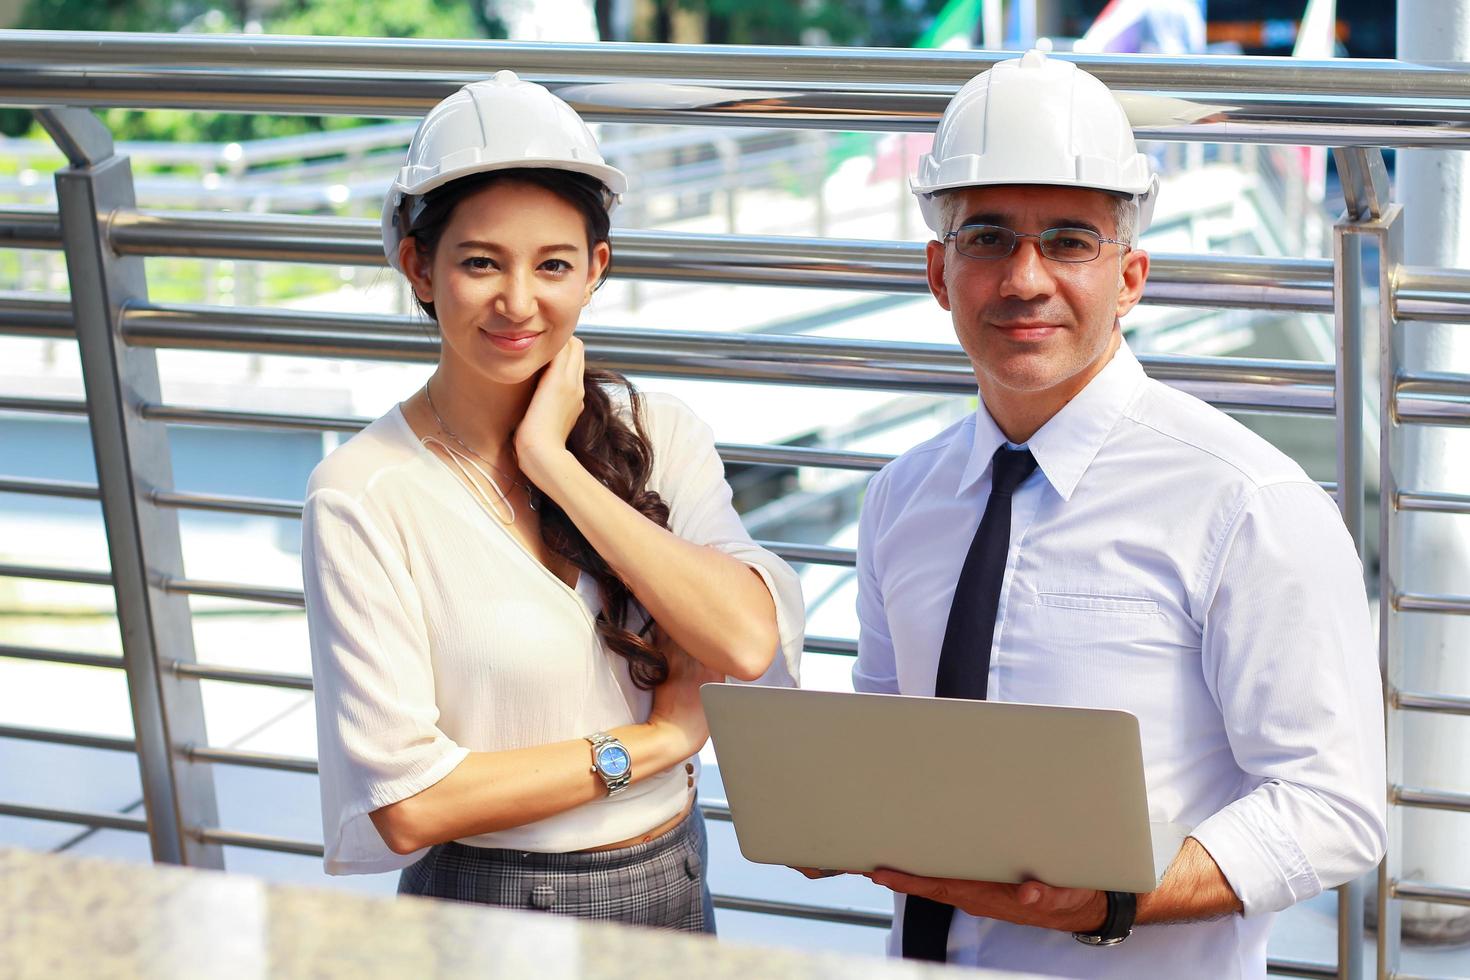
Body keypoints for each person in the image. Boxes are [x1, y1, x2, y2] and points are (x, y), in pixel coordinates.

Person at [850, 49, 1385, 976]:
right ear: (939, 274)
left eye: (1068, 241)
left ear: (1130, 278)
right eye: (987, 239)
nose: (1024, 279)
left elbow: (1333, 808)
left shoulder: (1247, 504)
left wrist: (1116, 897)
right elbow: (892, 732)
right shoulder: (901, 498)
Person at [301, 71, 803, 933]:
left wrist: (552, 463)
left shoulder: (659, 430)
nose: (519, 302)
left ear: (596, 268)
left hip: (677, 877)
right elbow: (410, 804)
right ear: (418, 266)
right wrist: (658, 743)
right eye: (480, 262)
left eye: (554, 265)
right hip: (490, 912)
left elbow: (746, 640)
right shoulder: (361, 493)